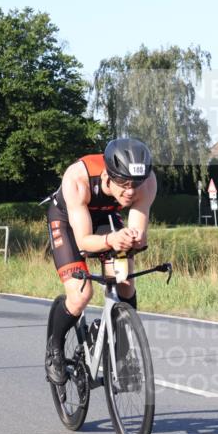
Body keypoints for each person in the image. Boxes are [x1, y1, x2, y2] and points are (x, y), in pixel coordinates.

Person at [44, 138, 157, 385]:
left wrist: (132, 239)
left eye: (135, 184)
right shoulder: (77, 179)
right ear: (107, 176)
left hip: (106, 217)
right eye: (124, 184)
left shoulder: (147, 183)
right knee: (81, 294)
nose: (130, 191)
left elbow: (140, 234)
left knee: (124, 282)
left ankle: (123, 351)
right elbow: (84, 241)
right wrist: (112, 239)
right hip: (66, 220)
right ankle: (54, 349)